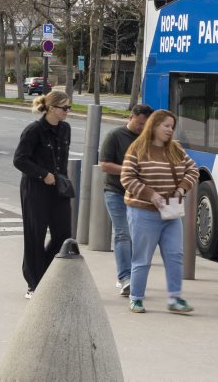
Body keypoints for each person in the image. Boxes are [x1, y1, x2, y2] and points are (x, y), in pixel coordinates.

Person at [121, 110, 199, 314]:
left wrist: (181, 189)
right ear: (154, 125)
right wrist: (150, 194)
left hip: (170, 212)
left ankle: (175, 298)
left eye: (172, 126)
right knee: (142, 258)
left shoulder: (176, 149)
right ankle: (136, 298)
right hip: (143, 211)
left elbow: (193, 170)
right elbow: (127, 178)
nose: (170, 130)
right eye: (166, 125)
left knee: (175, 255)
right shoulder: (138, 148)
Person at [13, 90, 73, 299]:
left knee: (63, 235)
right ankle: (34, 284)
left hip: (58, 188)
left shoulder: (65, 129)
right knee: (35, 236)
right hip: (35, 189)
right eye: (64, 107)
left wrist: (59, 179)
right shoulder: (34, 130)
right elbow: (19, 160)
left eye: (69, 107)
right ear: (51, 108)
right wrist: (43, 174)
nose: (67, 111)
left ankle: (45, 273)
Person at [99, 103, 153, 297]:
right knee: (123, 233)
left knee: (138, 236)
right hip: (116, 191)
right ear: (131, 118)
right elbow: (104, 165)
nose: (142, 128)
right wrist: (129, 170)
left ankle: (131, 273)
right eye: (139, 123)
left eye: (146, 124)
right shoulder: (115, 135)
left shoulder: (149, 138)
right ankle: (125, 278)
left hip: (140, 194)